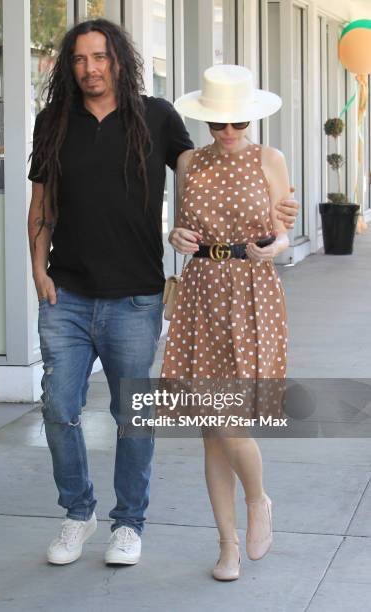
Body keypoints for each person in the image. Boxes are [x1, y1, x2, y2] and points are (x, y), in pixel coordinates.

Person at [27, 19, 299, 568]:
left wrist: (277, 225)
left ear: (120, 60)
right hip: (87, 294)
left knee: (145, 416)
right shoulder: (54, 122)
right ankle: (80, 513)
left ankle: (134, 522)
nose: (90, 68)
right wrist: (39, 272)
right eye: (79, 59)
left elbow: (231, 190)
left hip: (155, 296)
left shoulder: (159, 117)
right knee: (60, 408)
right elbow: (43, 205)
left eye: (100, 57)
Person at [161, 64, 290, 581]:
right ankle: (227, 546)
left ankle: (258, 500)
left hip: (252, 290)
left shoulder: (270, 159)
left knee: (229, 421)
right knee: (211, 430)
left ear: (251, 119)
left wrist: (273, 249)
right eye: (219, 125)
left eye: (237, 124)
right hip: (201, 292)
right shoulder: (189, 162)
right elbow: (180, 226)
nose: (229, 134)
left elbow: (282, 234)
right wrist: (176, 237)